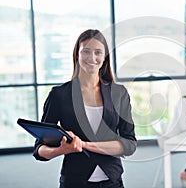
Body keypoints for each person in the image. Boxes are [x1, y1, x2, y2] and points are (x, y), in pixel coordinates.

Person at [33, 29, 137, 188]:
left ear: (105, 57)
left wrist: (84, 145)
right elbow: (39, 149)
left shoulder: (119, 93)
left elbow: (129, 145)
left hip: (113, 181)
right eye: (86, 51)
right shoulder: (59, 95)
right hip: (74, 181)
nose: (92, 58)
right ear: (77, 54)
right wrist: (62, 150)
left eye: (98, 52)